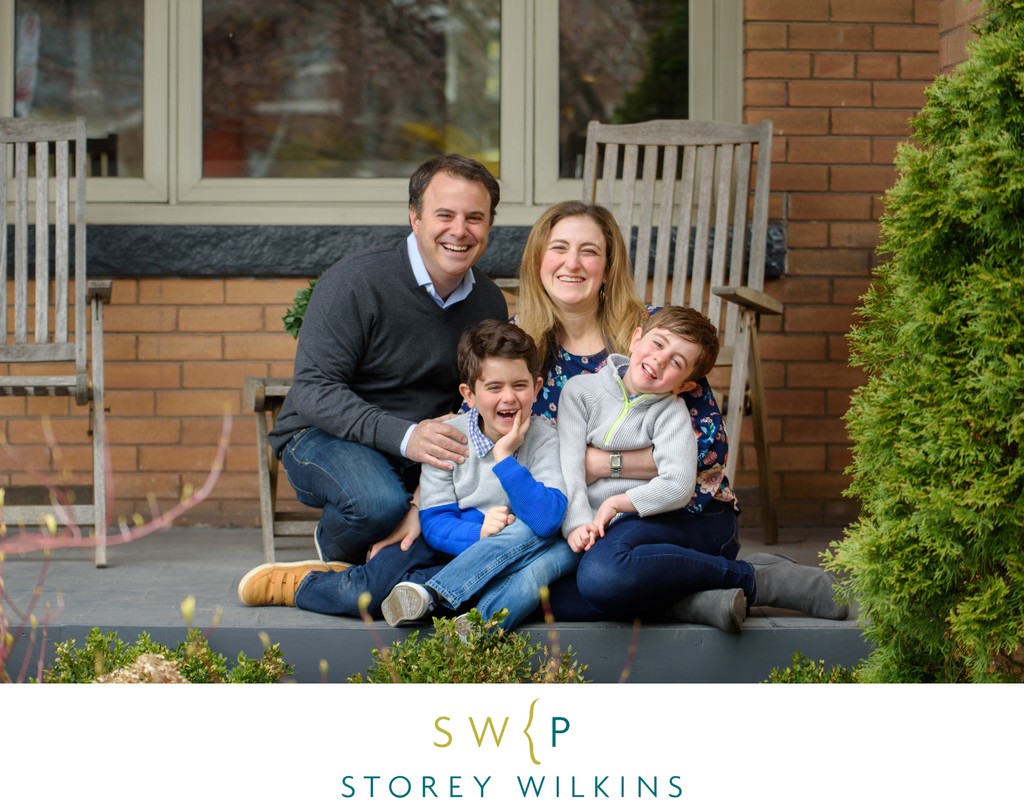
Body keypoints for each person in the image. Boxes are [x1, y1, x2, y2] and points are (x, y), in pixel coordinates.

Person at [514, 200, 846, 629]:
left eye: (589, 251)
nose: (572, 263)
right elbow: (486, 431)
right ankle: (690, 603)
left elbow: (707, 451)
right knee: (529, 588)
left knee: (603, 575)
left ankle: (755, 578)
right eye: (559, 247)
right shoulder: (519, 343)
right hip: (588, 523)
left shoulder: (657, 334)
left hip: (686, 516)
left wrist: (601, 463)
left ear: (609, 265)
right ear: (538, 256)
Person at [267, 154, 508, 566]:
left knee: (488, 498)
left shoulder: (488, 301)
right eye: (444, 215)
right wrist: (407, 436)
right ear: (414, 218)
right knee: (378, 504)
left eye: (474, 217)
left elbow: (476, 400)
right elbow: (314, 391)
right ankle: (338, 546)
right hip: (324, 435)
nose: (460, 231)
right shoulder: (355, 282)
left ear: (488, 225)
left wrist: (426, 490)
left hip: (421, 447)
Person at [379, 320, 576, 630]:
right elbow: (434, 523)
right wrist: (479, 533)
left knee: (549, 547)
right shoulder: (447, 439)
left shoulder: (544, 437)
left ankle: (434, 594)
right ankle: (480, 628)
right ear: (468, 394)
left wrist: (503, 459)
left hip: (540, 538)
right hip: (487, 548)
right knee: (537, 565)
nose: (509, 398)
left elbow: (548, 519)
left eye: (519, 385)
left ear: (537, 388)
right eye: (494, 387)